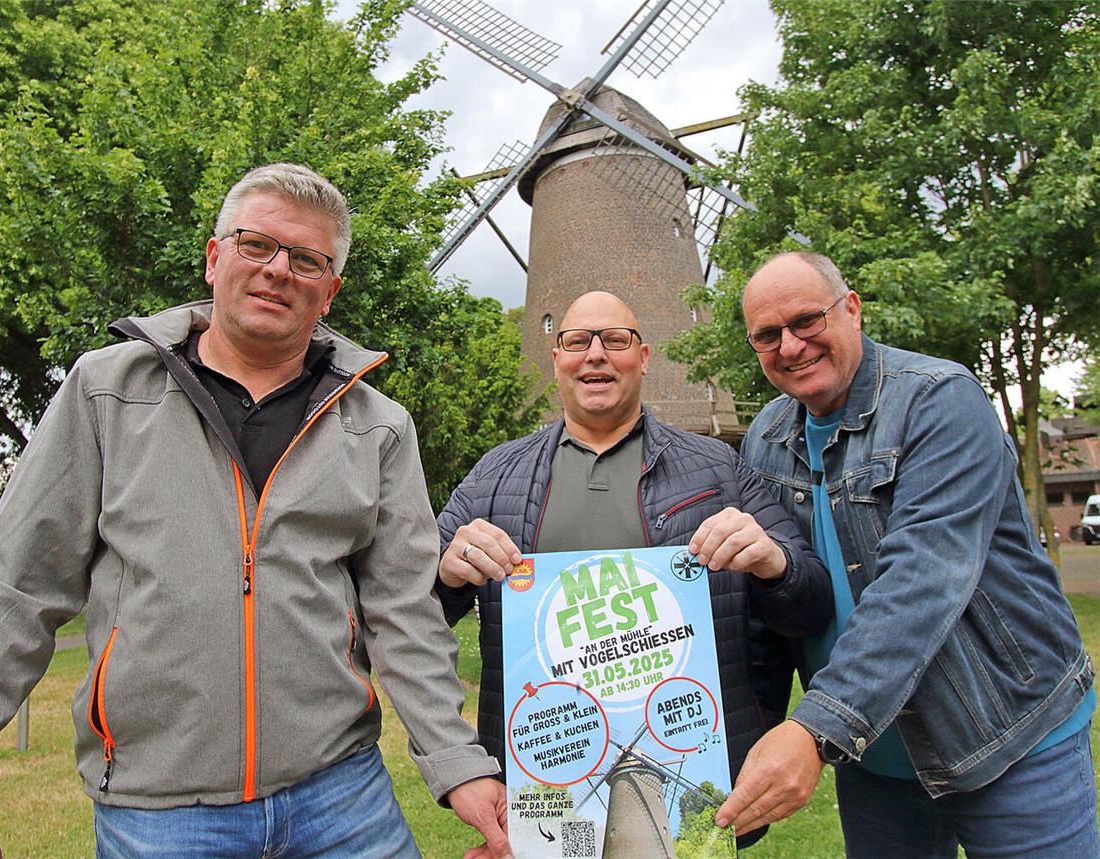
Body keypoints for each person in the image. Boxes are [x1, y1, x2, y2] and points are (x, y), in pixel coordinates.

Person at [0, 163, 509, 859]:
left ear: (329, 291)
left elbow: (404, 611)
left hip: (342, 796)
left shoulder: (379, 427)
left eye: (307, 259)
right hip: (160, 812)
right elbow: (17, 587)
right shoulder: (105, 393)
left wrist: (457, 761)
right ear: (215, 258)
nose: (279, 270)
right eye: (257, 245)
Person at [717, 251, 1098, 857]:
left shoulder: (939, 401)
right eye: (768, 335)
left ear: (852, 310)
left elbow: (924, 578)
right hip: (873, 758)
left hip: (1007, 732)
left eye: (807, 321)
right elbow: (774, 603)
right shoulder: (766, 437)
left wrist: (814, 730)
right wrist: (730, 739)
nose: (790, 346)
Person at [435, 290, 833, 851]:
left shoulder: (719, 468)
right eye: (577, 342)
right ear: (557, 360)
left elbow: (811, 604)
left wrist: (775, 562)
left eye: (615, 340)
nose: (595, 355)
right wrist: (447, 575)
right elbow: (413, 610)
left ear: (643, 357)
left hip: (686, 764)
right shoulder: (495, 476)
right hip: (550, 767)